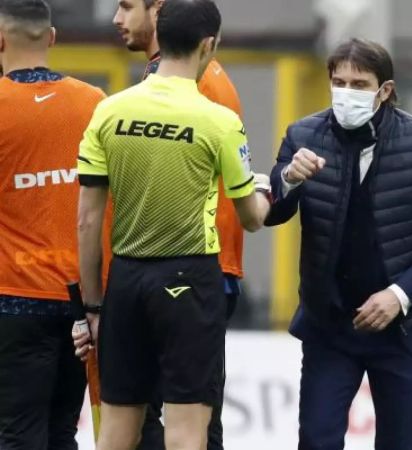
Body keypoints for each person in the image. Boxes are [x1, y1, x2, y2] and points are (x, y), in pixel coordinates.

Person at [72, 1, 271, 449]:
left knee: (118, 434)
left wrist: (92, 305)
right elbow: (251, 218)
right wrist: (273, 190)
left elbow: (86, 219)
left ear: (159, 31)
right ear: (209, 45)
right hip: (188, 282)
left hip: (124, 280)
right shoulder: (220, 121)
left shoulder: (109, 111)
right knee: (186, 435)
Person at [265, 38, 412, 450]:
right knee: (317, 441)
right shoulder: (303, 134)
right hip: (331, 325)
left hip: (404, 329)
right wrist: (287, 178)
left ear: (384, 90)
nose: (347, 92)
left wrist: (399, 296)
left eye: (359, 84)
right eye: (339, 82)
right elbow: (272, 213)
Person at [110, 1, 246, 447]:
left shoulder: (192, 81)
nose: (117, 18)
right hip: (185, 269)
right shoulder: (186, 77)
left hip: (186, 267)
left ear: (159, 10)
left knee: (186, 424)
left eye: (128, 6)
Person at [0, 1, 105, 448]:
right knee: (64, 431)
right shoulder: (95, 104)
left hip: (13, 299)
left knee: (17, 433)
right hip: (80, 300)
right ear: (52, 38)